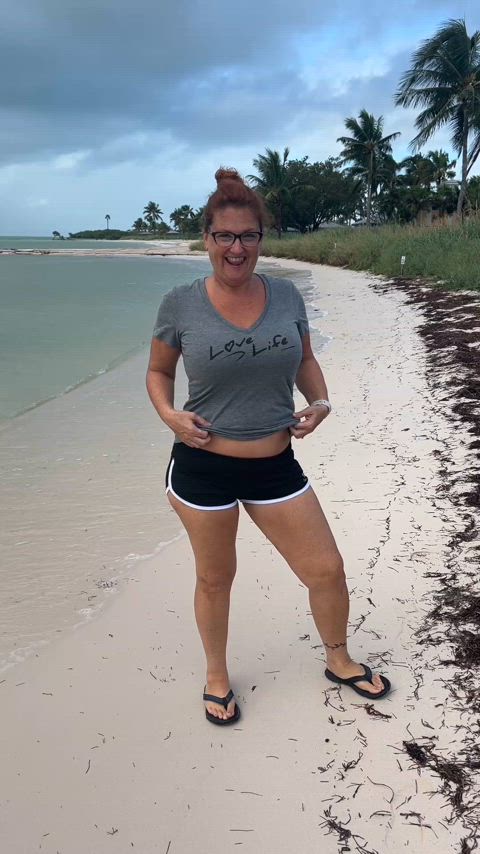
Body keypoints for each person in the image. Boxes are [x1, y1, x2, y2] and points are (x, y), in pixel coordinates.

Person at [146, 168, 391, 726]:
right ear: (207, 239)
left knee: (326, 569)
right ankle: (215, 674)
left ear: (261, 239)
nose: (237, 248)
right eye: (225, 237)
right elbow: (159, 372)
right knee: (216, 577)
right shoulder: (180, 304)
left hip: (275, 465)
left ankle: (338, 658)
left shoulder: (285, 294)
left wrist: (321, 401)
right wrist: (169, 415)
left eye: (248, 236)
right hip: (202, 467)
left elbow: (304, 359)